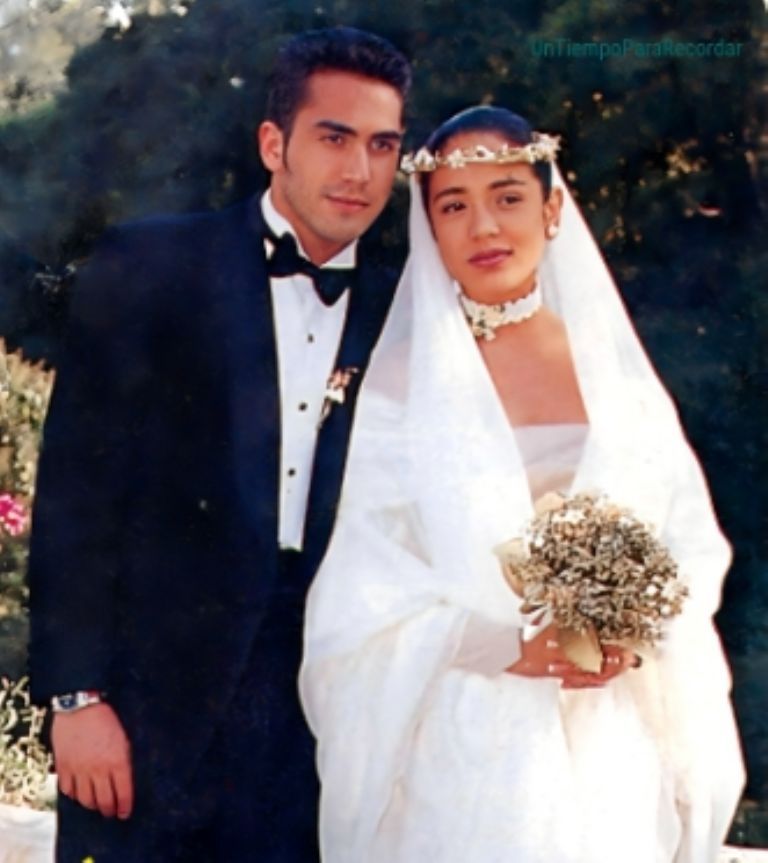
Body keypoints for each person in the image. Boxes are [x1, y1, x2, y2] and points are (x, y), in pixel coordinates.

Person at [300, 106, 746, 863]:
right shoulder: (404, 386)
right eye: (453, 206)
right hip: (465, 753)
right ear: (430, 229)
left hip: (610, 746)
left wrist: (632, 634)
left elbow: (690, 547)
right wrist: (506, 644)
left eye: (507, 197)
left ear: (551, 209)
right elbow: (364, 590)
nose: (484, 227)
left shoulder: (613, 374)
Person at [27, 26, 410, 862]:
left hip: (323, 726)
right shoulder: (149, 264)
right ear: (274, 144)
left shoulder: (409, 313)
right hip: (147, 716)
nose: (359, 170)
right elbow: (75, 496)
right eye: (334, 137)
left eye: (383, 145)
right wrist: (76, 697)